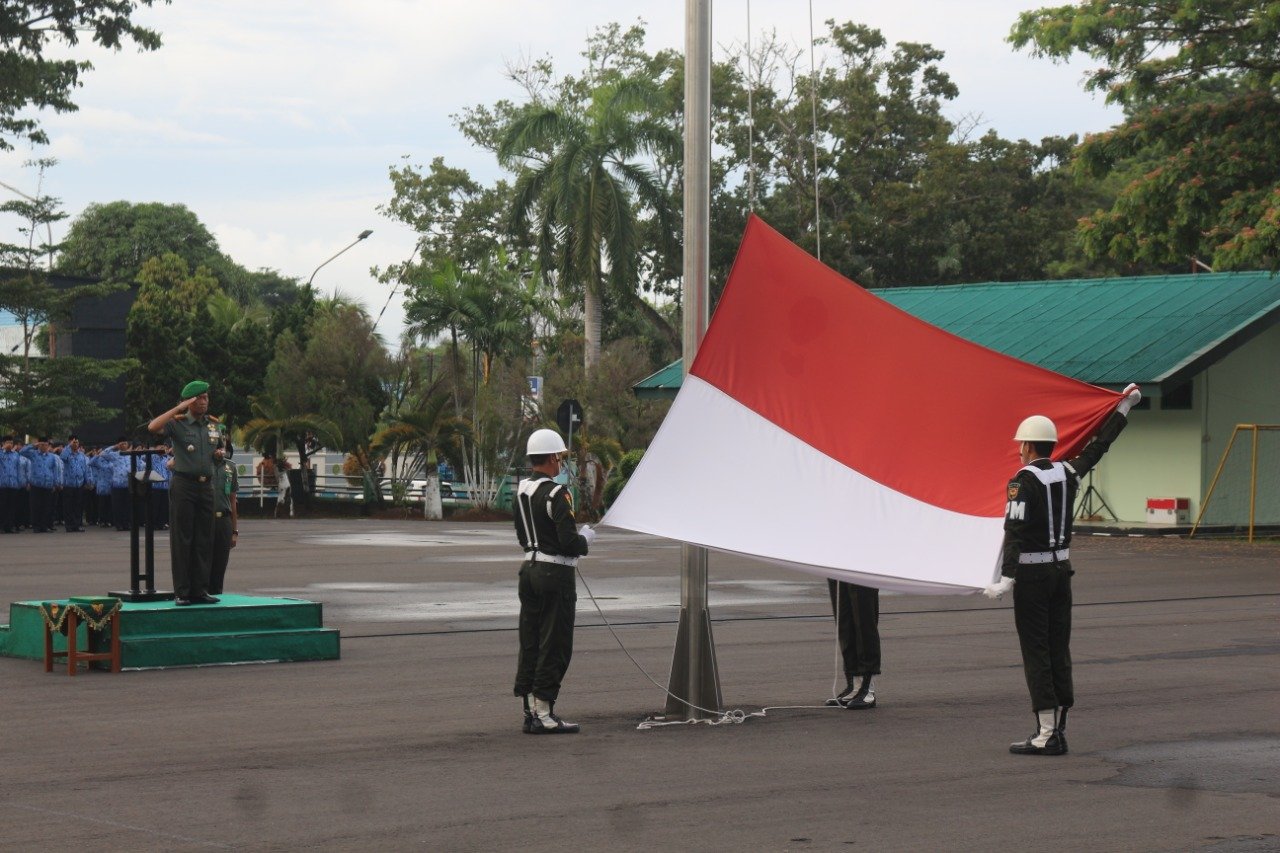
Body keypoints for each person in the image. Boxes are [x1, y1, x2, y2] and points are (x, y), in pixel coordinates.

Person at [984, 383, 1141, 756]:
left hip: (1033, 578)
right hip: (1061, 572)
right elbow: (1099, 447)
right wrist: (1125, 408)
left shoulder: (1022, 481)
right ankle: (1059, 728)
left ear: (1027, 446)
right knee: (1058, 648)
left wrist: (1006, 578)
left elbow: (1015, 530)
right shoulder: (1068, 473)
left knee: (1036, 650)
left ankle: (1045, 733)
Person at [512, 427, 594, 735]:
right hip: (554, 574)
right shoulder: (558, 494)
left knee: (531, 641)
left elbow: (523, 535)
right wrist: (585, 540)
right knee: (554, 643)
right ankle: (544, 712)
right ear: (549, 458)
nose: (560, 463)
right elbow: (568, 542)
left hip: (528, 569)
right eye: (559, 457)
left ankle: (530, 709)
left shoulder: (521, 492)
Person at [148, 380, 223, 606]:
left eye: (206, 398)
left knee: (204, 538)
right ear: (190, 401)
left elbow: (217, 450)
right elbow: (153, 427)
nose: (204, 402)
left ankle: (200, 590)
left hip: (206, 485)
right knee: (183, 539)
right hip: (184, 485)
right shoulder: (178, 423)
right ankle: (182, 591)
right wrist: (178, 408)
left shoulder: (213, 425)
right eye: (199, 398)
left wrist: (218, 454)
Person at [824, 581, 880, 709]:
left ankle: (868, 688)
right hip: (837, 563)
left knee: (864, 621)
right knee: (844, 621)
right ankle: (855, 685)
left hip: (862, 565)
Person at [209, 438, 239, 596]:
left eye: (223, 448)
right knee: (203, 561)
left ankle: (217, 594)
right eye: (217, 448)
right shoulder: (203, 465)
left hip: (224, 520)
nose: (221, 451)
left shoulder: (231, 467)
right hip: (205, 519)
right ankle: (202, 594)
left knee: (220, 563)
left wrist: (235, 531)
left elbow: (233, 500)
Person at [19, 438, 63, 533]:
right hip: (36, 484)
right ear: (39, 445)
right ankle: (36, 526)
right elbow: (21, 452)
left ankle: (44, 525)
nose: (44, 446)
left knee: (47, 506)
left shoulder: (52, 457)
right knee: (36, 506)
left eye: (46, 445)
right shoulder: (33, 454)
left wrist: (56, 483)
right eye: (42, 445)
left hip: (48, 485)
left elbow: (54, 470)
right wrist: (33, 445)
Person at [59, 435, 89, 532]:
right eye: (73, 442)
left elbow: (85, 469)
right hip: (69, 484)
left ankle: (77, 524)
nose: (75, 444)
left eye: (76, 442)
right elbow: (62, 457)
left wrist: (88, 481)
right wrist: (69, 446)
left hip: (79, 484)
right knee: (68, 506)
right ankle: (69, 525)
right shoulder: (67, 454)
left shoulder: (82, 456)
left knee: (78, 505)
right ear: (69, 443)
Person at [0, 436, 25, 533]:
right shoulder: (1, 453)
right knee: (2, 506)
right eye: (7, 442)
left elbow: (19, 469)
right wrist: (3, 449)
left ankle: (9, 526)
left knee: (12, 506)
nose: (9, 444)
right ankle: (2, 526)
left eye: (11, 442)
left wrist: (19, 482)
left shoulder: (16, 455)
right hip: (2, 484)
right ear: (3, 443)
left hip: (13, 484)